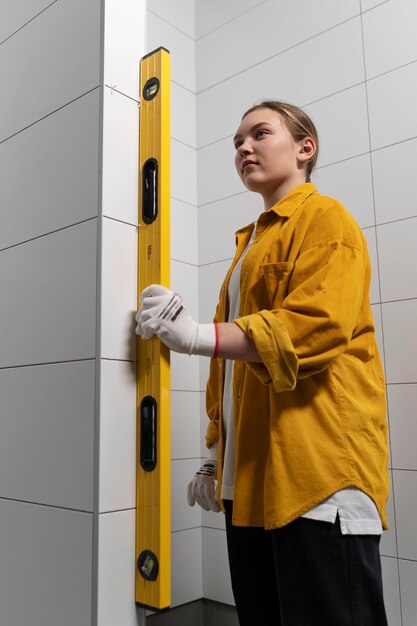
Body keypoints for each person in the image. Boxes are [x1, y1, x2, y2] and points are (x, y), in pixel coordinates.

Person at [135, 100, 389, 625]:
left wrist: (197, 334)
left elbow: (316, 326)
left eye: (259, 134)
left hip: (316, 481)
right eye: (236, 142)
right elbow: (229, 376)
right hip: (249, 486)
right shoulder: (251, 242)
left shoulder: (326, 219)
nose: (243, 147)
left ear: (304, 148)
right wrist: (216, 455)